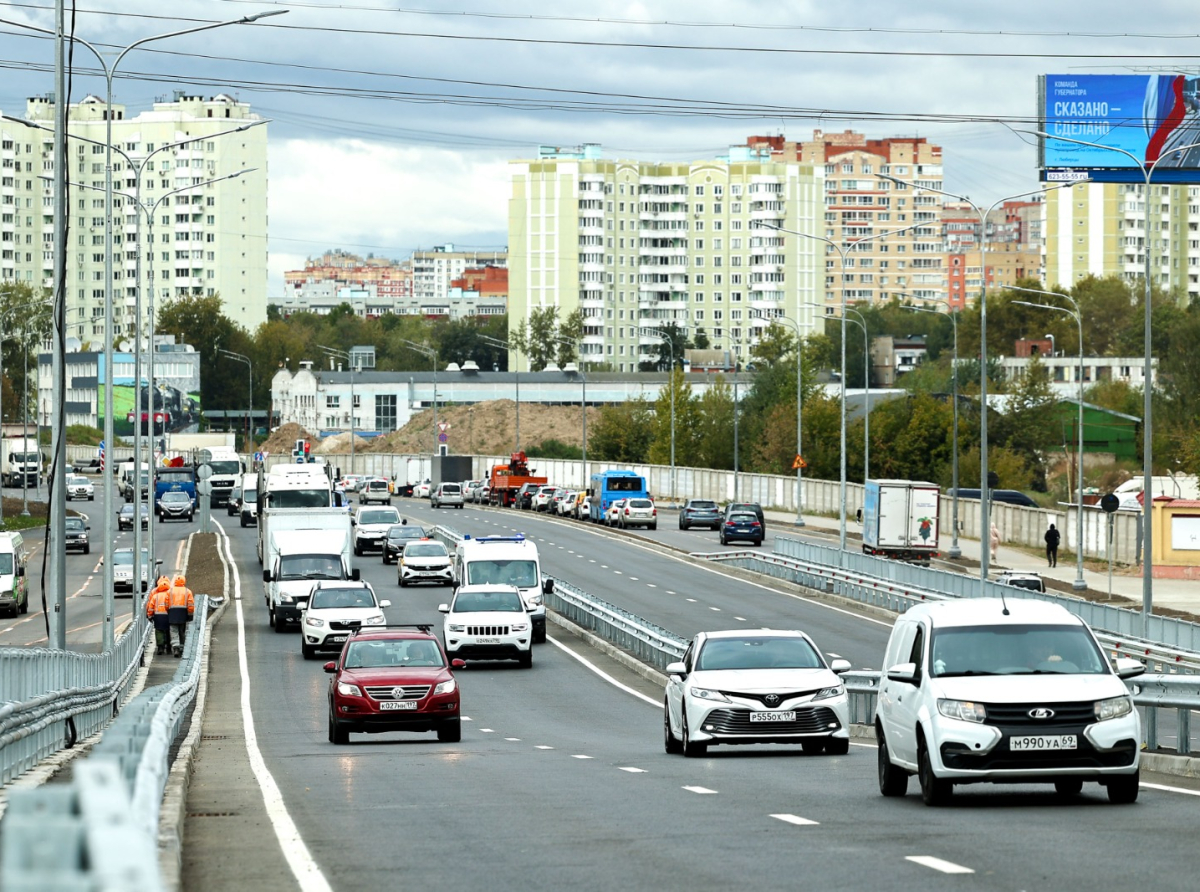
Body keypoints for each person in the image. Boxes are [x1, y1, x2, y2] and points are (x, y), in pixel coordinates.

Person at [167, 574, 195, 658]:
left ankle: (176, 648)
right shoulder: (187, 591)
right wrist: (190, 614)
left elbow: (166, 603)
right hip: (183, 613)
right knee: (182, 630)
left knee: (174, 630)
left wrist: (168, 611)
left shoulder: (170, 591)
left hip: (172, 612)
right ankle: (182, 647)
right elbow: (190, 604)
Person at [146, 575, 172, 655]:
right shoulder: (171, 593)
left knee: (159, 631)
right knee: (168, 631)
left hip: (158, 616)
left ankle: (160, 647)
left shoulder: (155, 595)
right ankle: (168, 647)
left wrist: (149, 615)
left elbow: (150, 606)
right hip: (169, 615)